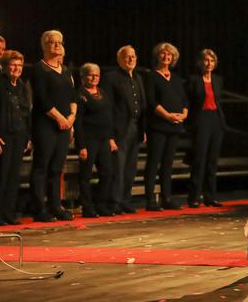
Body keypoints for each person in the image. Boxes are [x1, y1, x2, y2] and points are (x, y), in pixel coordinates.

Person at [30, 30, 76, 222]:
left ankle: (56, 205)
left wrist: (71, 118)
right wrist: (59, 118)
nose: (56, 45)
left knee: (57, 167)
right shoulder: (39, 69)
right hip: (45, 124)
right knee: (42, 166)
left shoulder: (66, 70)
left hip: (65, 125)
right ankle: (39, 208)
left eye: (59, 42)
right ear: (44, 46)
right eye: (52, 42)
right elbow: (42, 99)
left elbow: (73, 97)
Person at [101, 45, 146, 214]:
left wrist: (144, 129)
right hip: (119, 129)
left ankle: (126, 200)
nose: (131, 59)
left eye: (133, 56)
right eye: (127, 56)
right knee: (118, 168)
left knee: (130, 168)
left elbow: (143, 105)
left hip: (135, 127)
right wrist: (110, 135)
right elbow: (108, 108)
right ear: (119, 59)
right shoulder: (111, 78)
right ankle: (115, 202)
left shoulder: (138, 78)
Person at [0, 50, 31, 226]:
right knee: (1, 175)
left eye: (19, 65)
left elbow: (27, 113)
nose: (16, 68)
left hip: (19, 135)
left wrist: (28, 137)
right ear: (5, 66)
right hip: (3, 135)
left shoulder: (21, 85)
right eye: (13, 64)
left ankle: (9, 213)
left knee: (14, 176)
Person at [144, 42, 188, 211]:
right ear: (157, 56)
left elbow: (184, 100)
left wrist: (183, 114)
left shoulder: (176, 78)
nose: (166, 57)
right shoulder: (151, 76)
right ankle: (150, 200)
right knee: (153, 162)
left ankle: (167, 198)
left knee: (168, 164)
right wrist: (168, 116)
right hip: (159, 125)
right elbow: (152, 101)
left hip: (175, 125)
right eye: (163, 54)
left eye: (169, 55)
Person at [74, 63, 118, 217]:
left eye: (97, 75)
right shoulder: (79, 94)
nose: (94, 78)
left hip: (104, 139)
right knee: (85, 175)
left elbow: (109, 117)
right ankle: (87, 207)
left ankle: (101, 205)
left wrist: (111, 139)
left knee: (107, 173)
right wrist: (81, 146)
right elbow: (78, 122)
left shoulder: (103, 93)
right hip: (89, 139)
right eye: (91, 75)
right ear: (83, 77)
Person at [186, 49, 226, 208]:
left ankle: (210, 197)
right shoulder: (194, 80)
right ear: (201, 62)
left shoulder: (217, 80)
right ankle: (194, 197)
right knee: (199, 160)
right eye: (206, 60)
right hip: (201, 119)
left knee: (212, 161)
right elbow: (189, 101)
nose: (209, 63)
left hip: (215, 119)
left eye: (212, 61)